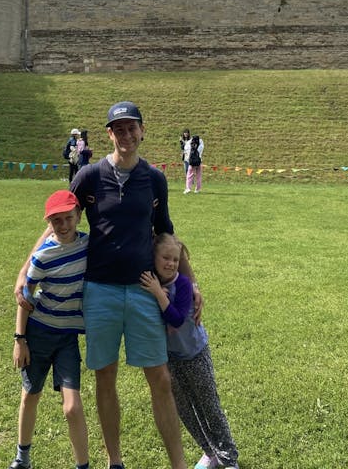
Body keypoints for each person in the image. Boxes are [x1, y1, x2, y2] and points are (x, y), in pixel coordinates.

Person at [16, 101, 199, 469]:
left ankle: (178, 464)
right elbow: (59, 220)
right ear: (109, 134)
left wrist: (190, 281)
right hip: (100, 290)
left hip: (145, 288)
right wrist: (25, 270)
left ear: (142, 131)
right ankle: (115, 462)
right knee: (105, 376)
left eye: (132, 128)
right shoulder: (88, 177)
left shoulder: (155, 179)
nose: (126, 135)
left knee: (159, 378)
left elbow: (166, 234)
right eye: (119, 129)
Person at [140, 233, 240, 469]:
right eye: (165, 258)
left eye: (175, 260)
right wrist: (154, 291)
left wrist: (158, 294)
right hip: (171, 359)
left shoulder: (182, 284)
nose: (170, 264)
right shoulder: (150, 283)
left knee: (209, 407)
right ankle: (210, 452)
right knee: (185, 410)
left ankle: (229, 458)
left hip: (195, 354)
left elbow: (175, 320)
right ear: (153, 257)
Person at [9, 189, 90, 469]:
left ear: (79, 216)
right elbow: (26, 298)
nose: (64, 225)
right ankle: (23, 457)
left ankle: (83, 465)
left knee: (72, 407)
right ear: (49, 223)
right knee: (31, 394)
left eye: (69, 218)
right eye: (57, 221)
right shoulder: (42, 257)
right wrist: (20, 339)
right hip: (39, 333)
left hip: (67, 338)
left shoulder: (88, 246)